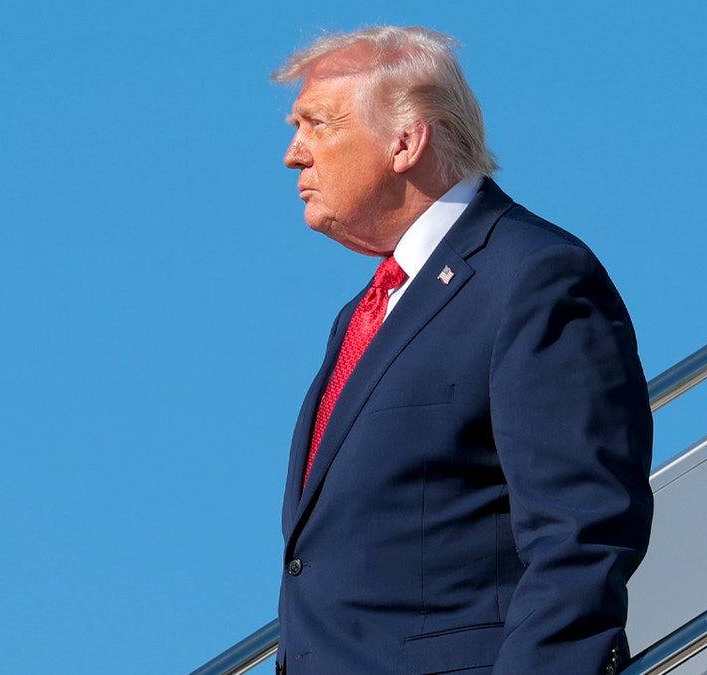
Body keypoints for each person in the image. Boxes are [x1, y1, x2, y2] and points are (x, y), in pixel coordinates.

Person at [272, 26, 654, 674]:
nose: (293, 154)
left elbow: (580, 533)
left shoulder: (534, 277)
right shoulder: (363, 315)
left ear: (405, 140)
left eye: (316, 124)